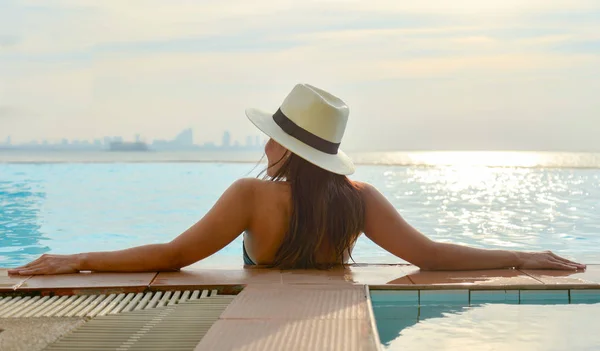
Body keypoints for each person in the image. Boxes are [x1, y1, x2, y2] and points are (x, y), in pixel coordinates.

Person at [8, 83, 586, 276]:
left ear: (286, 147)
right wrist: (521, 255)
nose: (264, 145)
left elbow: (174, 254)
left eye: (273, 138)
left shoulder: (250, 196)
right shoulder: (359, 199)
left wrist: (77, 258)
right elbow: (430, 255)